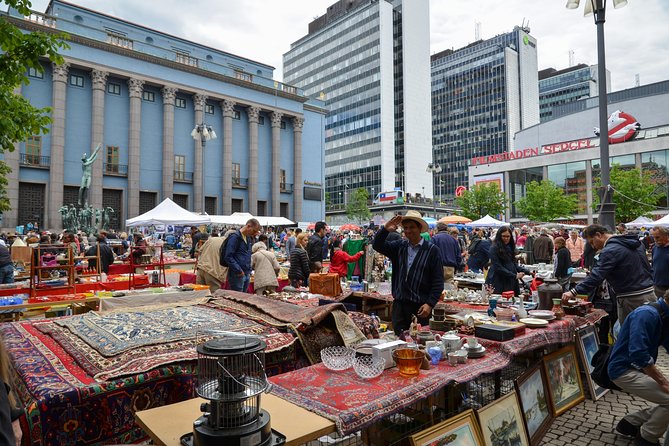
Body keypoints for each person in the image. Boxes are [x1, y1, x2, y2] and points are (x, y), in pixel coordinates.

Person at [562, 224, 655, 324]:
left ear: (598, 235)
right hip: (649, 293)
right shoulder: (636, 244)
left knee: (633, 333)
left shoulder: (610, 250)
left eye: (592, 242)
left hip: (631, 298)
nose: (593, 246)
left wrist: (573, 292)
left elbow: (596, 276)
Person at [609, 296, 669, 446]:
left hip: (635, 369)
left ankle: (631, 422)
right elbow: (638, 354)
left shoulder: (663, 315)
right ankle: (646, 438)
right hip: (623, 371)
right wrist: (663, 382)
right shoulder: (646, 314)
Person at [373, 211, 443, 335]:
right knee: (400, 341)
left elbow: (438, 281)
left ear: (420, 228)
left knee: (420, 342)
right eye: (405, 228)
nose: (408, 231)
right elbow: (377, 245)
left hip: (421, 307)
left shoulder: (432, 251)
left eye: (412, 227)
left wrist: (430, 304)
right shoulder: (400, 246)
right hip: (400, 306)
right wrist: (385, 229)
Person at [485, 226, 529, 295]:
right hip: (498, 280)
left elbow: (513, 264)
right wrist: (514, 276)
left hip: (510, 280)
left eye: (508, 236)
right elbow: (498, 267)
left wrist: (527, 271)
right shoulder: (494, 248)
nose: (506, 238)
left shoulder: (510, 247)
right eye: (504, 236)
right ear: (499, 236)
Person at [223, 218, 261, 292]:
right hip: (237, 274)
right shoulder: (235, 237)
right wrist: (239, 270)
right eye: (254, 231)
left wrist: (249, 270)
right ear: (248, 226)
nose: (255, 233)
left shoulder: (248, 238)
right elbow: (228, 256)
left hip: (245, 273)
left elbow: (248, 255)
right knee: (238, 298)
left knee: (243, 297)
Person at [78, 143, 101, 207]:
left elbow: (93, 155)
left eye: (85, 157)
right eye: (84, 158)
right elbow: (91, 161)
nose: (85, 158)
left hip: (89, 176)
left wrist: (97, 149)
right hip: (84, 176)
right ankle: (79, 200)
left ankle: (86, 201)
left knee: (87, 188)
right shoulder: (84, 164)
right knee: (82, 187)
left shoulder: (88, 160)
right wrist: (95, 157)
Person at [651, 226, 669, 298]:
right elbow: (653, 265)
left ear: (666, 235)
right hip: (657, 287)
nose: (655, 240)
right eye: (654, 237)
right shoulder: (655, 248)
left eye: (657, 237)